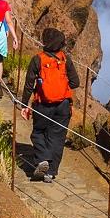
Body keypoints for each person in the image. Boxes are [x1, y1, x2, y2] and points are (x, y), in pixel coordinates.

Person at [22, 27, 74, 182]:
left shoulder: (38, 59)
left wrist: (24, 104)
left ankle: (43, 159)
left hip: (43, 105)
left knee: (38, 133)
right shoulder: (65, 59)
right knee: (57, 138)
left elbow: (28, 85)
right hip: (63, 105)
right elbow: (75, 82)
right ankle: (50, 173)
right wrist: (62, 86)